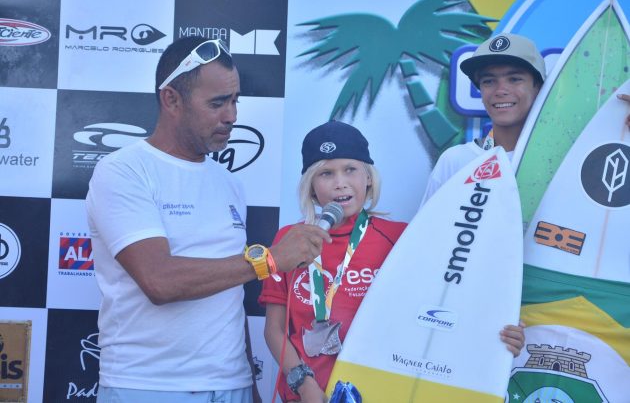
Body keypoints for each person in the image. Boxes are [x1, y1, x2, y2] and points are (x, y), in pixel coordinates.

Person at [86, 36, 330, 403]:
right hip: (149, 386)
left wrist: (248, 380)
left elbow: (228, 295)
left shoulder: (228, 183)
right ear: (171, 99)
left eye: (234, 101)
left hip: (233, 386)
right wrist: (271, 259)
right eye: (217, 103)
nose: (231, 115)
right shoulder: (123, 171)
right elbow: (160, 281)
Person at [258, 120, 526, 402]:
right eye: (326, 173)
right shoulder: (290, 239)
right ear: (311, 186)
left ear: (369, 177)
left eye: (350, 169)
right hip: (305, 396)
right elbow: (274, 330)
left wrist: (497, 333)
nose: (340, 183)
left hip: (378, 391)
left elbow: (445, 303)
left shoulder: (401, 237)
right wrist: (303, 383)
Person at [422, 32, 630, 203]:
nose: (501, 90)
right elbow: (425, 240)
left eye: (514, 79)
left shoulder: (572, 162)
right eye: (488, 81)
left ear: (539, 88)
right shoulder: (456, 161)